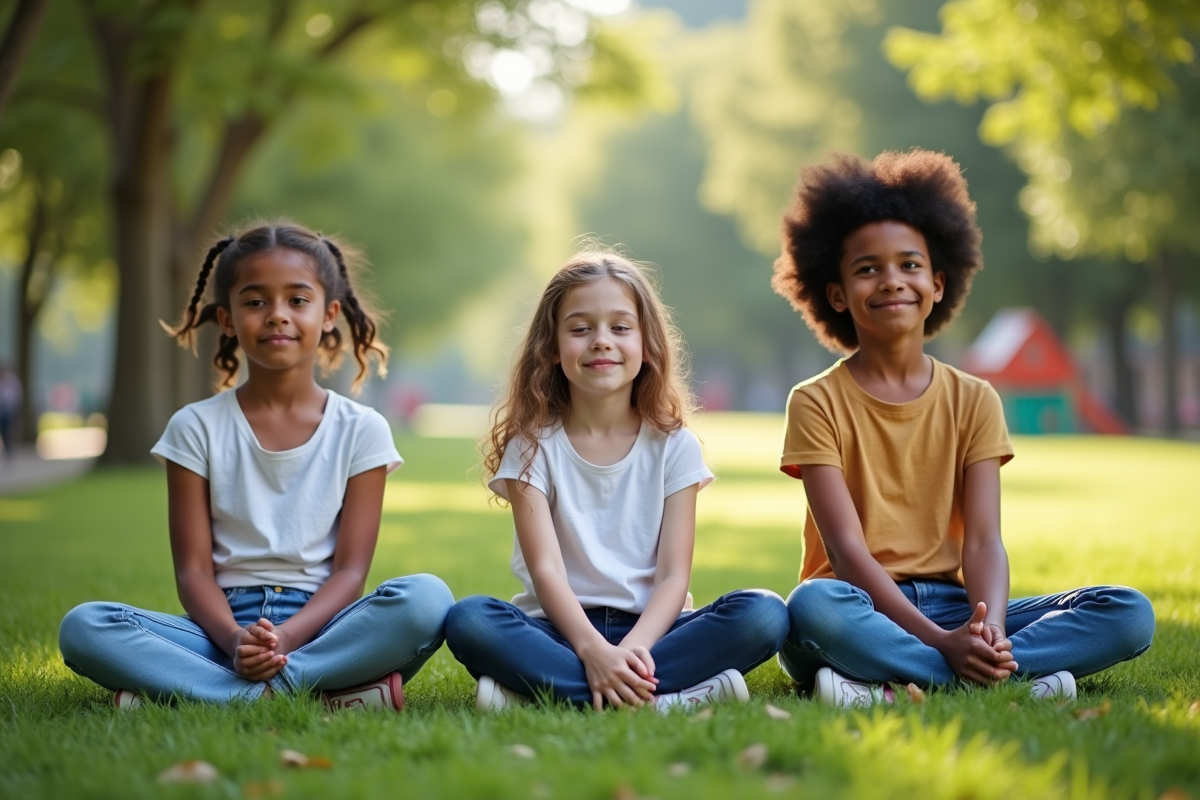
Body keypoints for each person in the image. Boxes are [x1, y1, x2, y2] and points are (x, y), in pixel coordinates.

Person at [772, 151, 1155, 706]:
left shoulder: (974, 399)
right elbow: (848, 552)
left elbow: (982, 540)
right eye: (866, 268)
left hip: (954, 604)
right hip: (854, 605)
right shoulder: (814, 401)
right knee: (809, 607)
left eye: (909, 265)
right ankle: (994, 674)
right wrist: (941, 642)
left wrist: (987, 630)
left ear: (938, 283)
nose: (891, 281)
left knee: (1128, 613)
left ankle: (921, 676)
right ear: (836, 295)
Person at [59, 222, 454, 710]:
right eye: (255, 301)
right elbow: (194, 571)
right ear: (226, 319)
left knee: (428, 600)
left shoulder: (362, 429)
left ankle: (219, 690)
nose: (276, 316)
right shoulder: (195, 428)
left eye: (297, 300)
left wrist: (285, 639)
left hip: (323, 626)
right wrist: (234, 641)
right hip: (220, 628)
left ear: (329, 314)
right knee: (84, 627)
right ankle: (324, 690)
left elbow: (351, 572)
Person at [445, 251, 789, 713]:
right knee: (470, 620)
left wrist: (632, 651)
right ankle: (668, 696)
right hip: (558, 630)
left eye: (620, 327)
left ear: (646, 345)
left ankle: (548, 692)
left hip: (656, 630)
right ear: (551, 346)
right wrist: (591, 650)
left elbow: (672, 576)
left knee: (763, 614)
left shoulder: (674, 446)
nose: (601, 341)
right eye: (580, 328)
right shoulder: (532, 447)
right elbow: (546, 571)